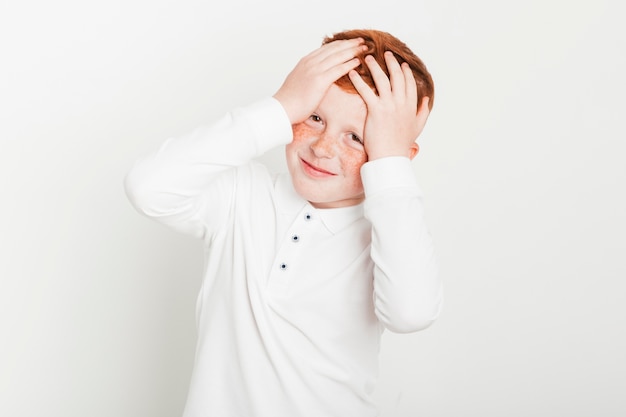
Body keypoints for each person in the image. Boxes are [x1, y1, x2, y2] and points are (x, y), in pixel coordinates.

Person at [125, 28, 443, 417]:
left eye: (357, 138)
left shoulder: (385, 238)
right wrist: (279, 107)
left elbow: (411, 313)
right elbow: (147, 187)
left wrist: (390, 166)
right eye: (313, 116)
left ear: (395, 154)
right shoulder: (242, 195)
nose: (322, 148)